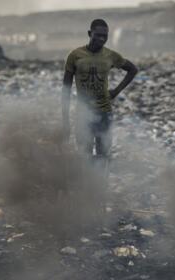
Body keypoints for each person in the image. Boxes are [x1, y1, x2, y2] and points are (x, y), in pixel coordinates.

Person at [61, 19, 138, 168]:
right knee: (84, 156)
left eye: (105, 36)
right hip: (83, 114)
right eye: (98, 35)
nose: (102, 39)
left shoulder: (110, 56)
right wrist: (65, 121)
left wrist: (116, 91)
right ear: (90, 34)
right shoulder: (75, 56)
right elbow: (66, 90)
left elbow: (132, 69)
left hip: (104, 113)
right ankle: (88, 189)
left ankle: (101, 188)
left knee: (104, 156)